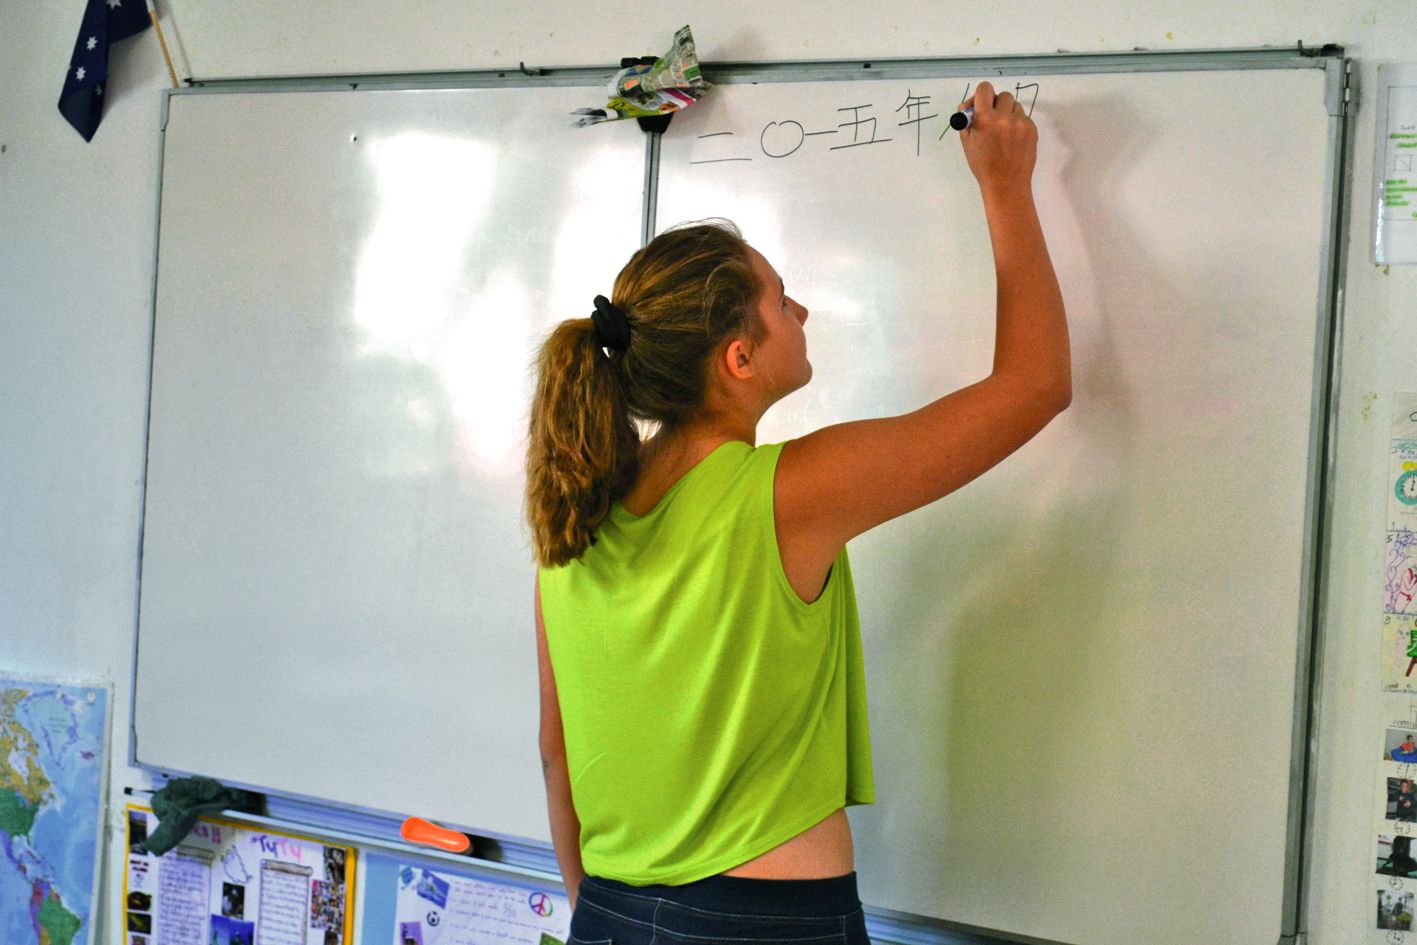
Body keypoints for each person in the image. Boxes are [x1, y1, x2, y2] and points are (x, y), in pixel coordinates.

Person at [525, 81, 1070, 944]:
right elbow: (1034, 384)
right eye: (782, 301)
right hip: (761, 926)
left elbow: (557, 750)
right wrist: (1004, 187)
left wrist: (603, 911)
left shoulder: (574, 513)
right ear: (738, 359)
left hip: (610, 908)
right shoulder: (785, 492)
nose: (802, 310)